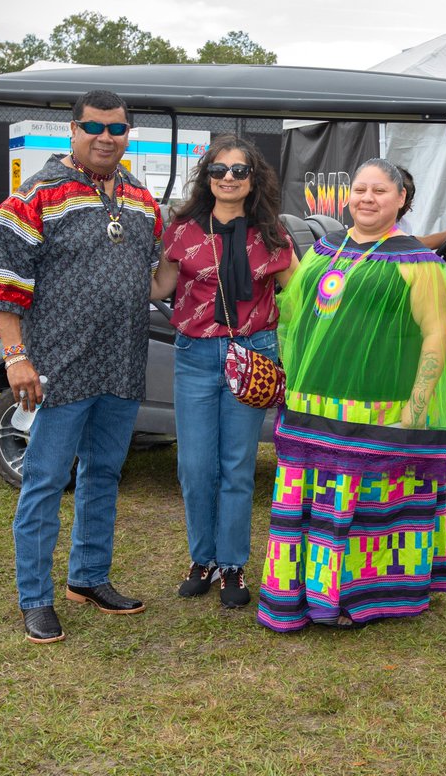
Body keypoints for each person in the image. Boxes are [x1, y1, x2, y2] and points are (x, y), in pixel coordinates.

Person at [0, 90, 163, 643]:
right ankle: (35, 598)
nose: (107, 137)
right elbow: (1, 288)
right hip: (56, 368)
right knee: (45, 481)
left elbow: (155, 278)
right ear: (73, 129)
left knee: (103, 475)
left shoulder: (139, 199)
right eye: (95, 126)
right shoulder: (34, 196)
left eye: (118, 129)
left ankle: (89, 577)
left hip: (122, 365)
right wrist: (16, 358)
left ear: (129, 134)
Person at [256, 158, 446, 631]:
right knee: (318, 505)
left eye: (381, 191)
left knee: (370, 508)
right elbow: (296, 312)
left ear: (401, 199)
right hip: (313, 403)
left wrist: (418, 403)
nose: (368, 198)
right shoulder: (327, 248)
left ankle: (362, 598)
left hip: (379, 405)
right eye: (361, 189)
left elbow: (436, 334)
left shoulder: (418, 262)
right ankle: (305, 594)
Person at [150, 136, 298, 609]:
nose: (228, 178)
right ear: (207, 177)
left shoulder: (272, 233)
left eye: (239, 171)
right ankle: (202, 558)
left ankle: (232, 565)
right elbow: (160, 286)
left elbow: (299, 296)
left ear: (253, 179)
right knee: (195, 467)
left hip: (253, 355)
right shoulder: (183, 230)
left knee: (236, 466)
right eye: (219, 170)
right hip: (195, 354)